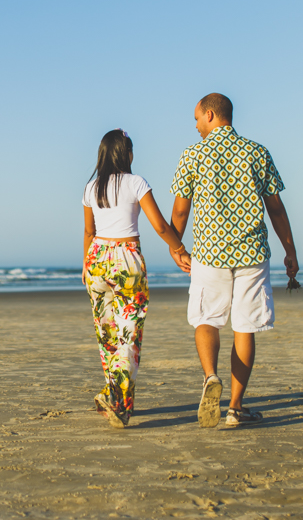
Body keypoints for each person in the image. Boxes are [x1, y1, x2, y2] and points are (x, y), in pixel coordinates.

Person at [168, 93, 298, 428]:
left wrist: (176, 246)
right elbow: (276, 208)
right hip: (252, 253)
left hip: (210, 254)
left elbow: (181, 210)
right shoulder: (257, 152)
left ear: (210, 115)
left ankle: (211, 377)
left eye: (197, 118)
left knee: (206, 319)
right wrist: (290, 250)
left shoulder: (193, 155)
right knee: (245, 326)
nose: (196, 126)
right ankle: (235, 408)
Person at [83, 129, 192, 428]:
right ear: (127, 154)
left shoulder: (91, 188)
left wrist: (85, 263)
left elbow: (89, 232)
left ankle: (117, 400)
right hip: (126, 259)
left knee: (107, 335)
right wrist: (178, 248)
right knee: (128, 333)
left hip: (96, 261)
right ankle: (117, 400)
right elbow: (159, 225)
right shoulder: (136, 182)